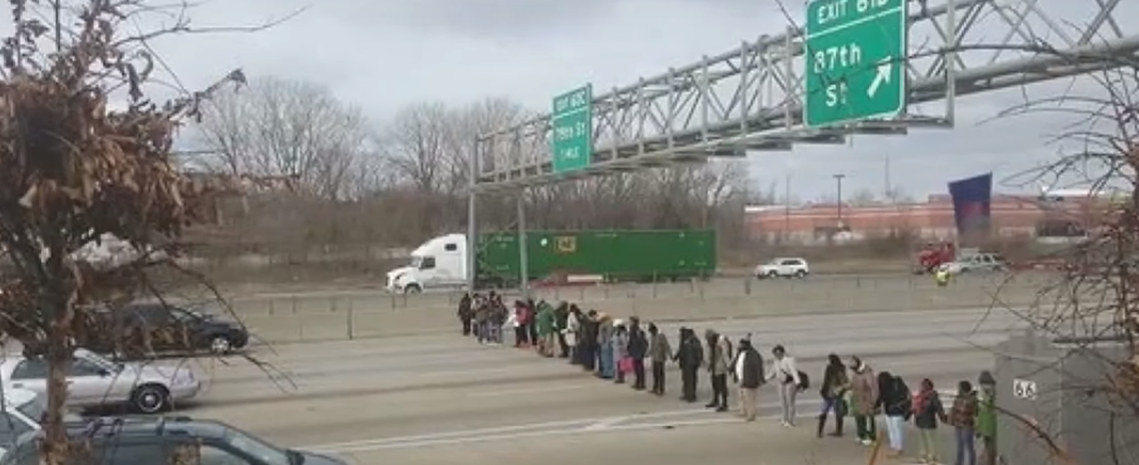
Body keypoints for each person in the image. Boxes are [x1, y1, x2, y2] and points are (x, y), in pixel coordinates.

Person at [913, 378, 948, 465]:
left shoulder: (921, 396)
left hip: (920, 421)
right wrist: (943, 418)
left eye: (923, 385)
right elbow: (939, 408)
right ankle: (931, 458)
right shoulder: (932, 396)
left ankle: (925, 457)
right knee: (931, 441)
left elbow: (914, 409)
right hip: (928, 422)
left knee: (925, 440)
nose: (922, 387)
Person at [878, 372, 912, 458]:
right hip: (889, 410)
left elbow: (904, 394)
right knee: (891, 429)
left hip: (897, 410)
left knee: (897, 430)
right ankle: (894, 446)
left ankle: (899, 448)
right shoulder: (884, 386)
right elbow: (881, 398)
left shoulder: (897, 383)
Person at [848, 355, 879, 446]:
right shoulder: (855, 373)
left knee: (868, 419)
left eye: (852, 363)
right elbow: (853, 384)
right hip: (857, 399)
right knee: (859, 418)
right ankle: (861, 434)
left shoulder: (867, 373)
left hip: (866, 400)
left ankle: (870, 437)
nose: (850, 365)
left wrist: (873, 401)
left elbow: (874, 388)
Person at [731, 337, 764, 421]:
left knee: (750, 399)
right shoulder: (740, 353)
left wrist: (760, 379)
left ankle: (751, 414)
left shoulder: (754, 355)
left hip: (749, 379)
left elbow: (758, 367)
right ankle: (743, 411)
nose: (739, 346)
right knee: (741, 397)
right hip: (740, 378)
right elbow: (736, 363)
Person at [767, 344, 800, 427]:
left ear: (782, 353)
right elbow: (773, 372)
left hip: (790, 383)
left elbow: (794, 372)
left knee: (790, 402)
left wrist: (798, 383)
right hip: (781, 383)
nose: (777, 356)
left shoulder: (789, 360)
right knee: (783, 403)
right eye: (775, 354)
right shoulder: (776, 361)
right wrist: (764, 379)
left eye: (779, 354)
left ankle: (791, 420)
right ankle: (784, 419)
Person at [817, 353, 849, 438]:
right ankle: (838, 431)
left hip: (831, 394)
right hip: (834, 394)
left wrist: (824, 391)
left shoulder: (832, 369)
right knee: (837, 413)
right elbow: (844, 381)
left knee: (825, 412)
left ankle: (820, 432)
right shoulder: (839, 368)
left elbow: (827, 381)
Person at [950, 380, 978, 465]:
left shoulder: (972, 399)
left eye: (959, 388)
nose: (958, 389)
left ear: (963, 389)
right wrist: (951, 419)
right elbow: (954, 409)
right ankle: (958, 463)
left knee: (969, 447)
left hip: (967, 425)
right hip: (958, 425)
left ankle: (971, 463)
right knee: (959, 447)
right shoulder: (958, 398)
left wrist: (961, 403)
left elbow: (966, 410)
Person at [704, 329, 732, 412]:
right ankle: (716, 400)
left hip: (720, 367)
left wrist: (729, 366)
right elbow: (709, 353)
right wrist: (709, 364)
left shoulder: (721, 342)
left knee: (722, 385)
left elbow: (725, 354)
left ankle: (724, 403)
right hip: (714, 366)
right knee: (715, 384)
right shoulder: (712, 343)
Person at [674, 327, 703, 402]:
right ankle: (687, 394)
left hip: (690, 364)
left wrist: (699, 361)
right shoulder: (686, 341)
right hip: (686, 364)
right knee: (686, 380)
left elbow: (698, 352)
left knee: (690, 380)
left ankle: (691, 396)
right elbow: (681, 351)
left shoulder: (691, 341)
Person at [976, 371, 998, 465]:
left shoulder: (991, 394)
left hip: (990, 426)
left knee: (991, 448)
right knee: (988, 448)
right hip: (985, 427)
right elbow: (980, 413)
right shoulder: (983, 394)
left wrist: (988, 394)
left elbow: (987, 406)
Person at [647, 322, 671, 395]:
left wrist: (670, 355)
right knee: (655, 374)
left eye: (651, 331)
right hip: (654, 357)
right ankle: (655, 387)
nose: (651, 333)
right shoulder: (652, 336)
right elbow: (652, 347)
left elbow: (666, 346)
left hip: (660, 357)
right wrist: (647, 353)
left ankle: (661, 389)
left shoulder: (661, 336)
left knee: (660, 374)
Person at [627, 317, 648, 390]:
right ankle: (638, 382)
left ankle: (641, 383)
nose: (629, 323)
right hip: (634, 351)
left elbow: (643, 342)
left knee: (639, 369)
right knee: (636, 369)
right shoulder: (632, 330)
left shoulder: (637, 331)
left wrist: (643, 351)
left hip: (638, 352)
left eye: (630, 321)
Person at [596, 313, 615, 379]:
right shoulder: (603, 324)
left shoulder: (608, 324)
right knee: (604, 359)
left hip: (606, 344)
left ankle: (609, 373)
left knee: (607, 358)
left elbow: (609, 334)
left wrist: (607, 342)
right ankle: (605, 371)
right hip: (603, 343)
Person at [611, 319, 629, 384]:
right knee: (617, 365)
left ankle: (621, 378)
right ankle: (618, 377)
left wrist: (623, 349)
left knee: (621, 366)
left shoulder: (622, 334)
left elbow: (625, 343)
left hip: (620, 352)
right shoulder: (616, 333)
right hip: (616, 351)